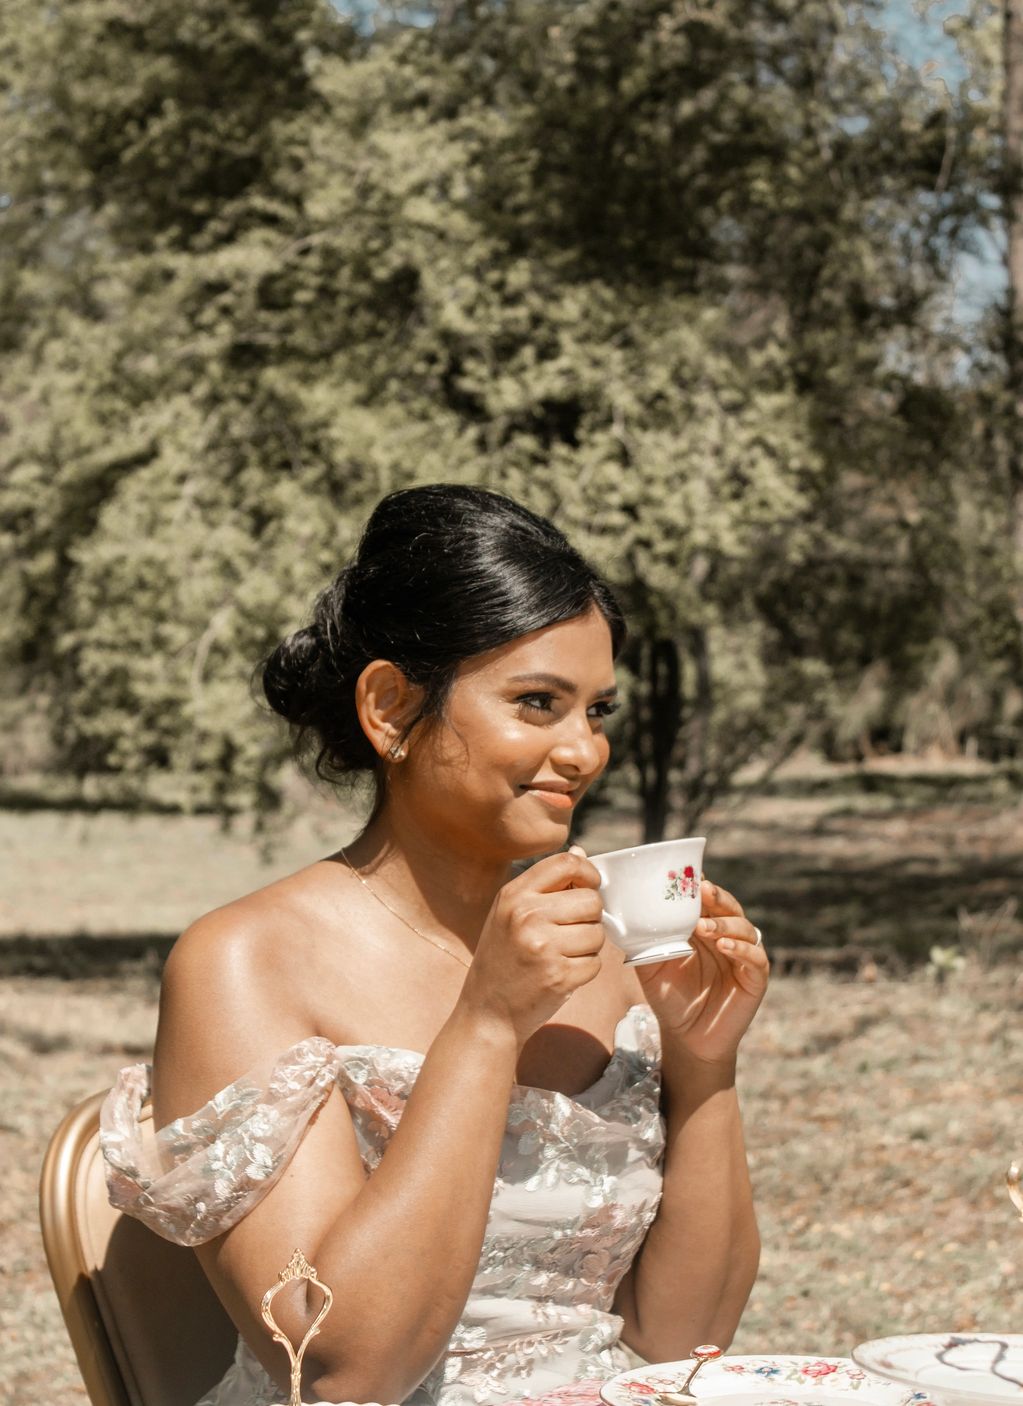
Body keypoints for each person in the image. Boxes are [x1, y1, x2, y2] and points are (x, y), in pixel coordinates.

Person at [101, 484, 769, 1406]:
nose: (583, 751)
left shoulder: (607, 957)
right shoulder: (246, 963)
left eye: (597, 711)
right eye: (538, 703)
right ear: (388, 709)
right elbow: (338, 1371)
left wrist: (705, 1069)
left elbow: (683, 1343)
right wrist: (487, 1025)